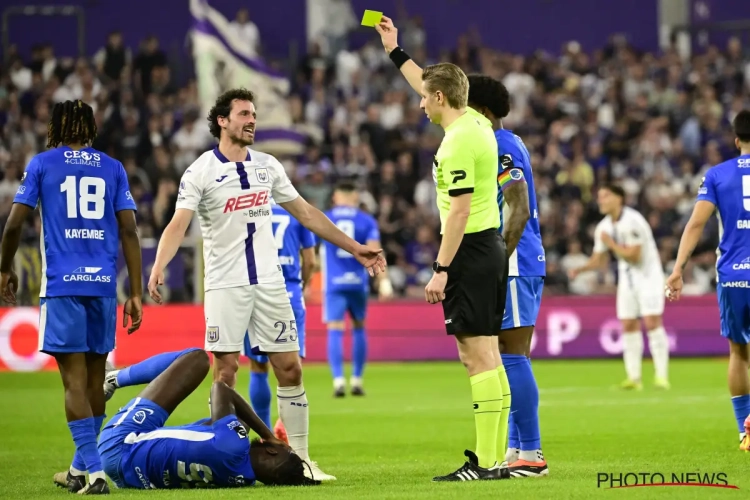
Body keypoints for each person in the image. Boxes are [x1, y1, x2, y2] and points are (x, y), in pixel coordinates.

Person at [147, 88, 386, 482]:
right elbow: (178, 223)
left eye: (253, 114)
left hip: (271, 285)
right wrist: (158, 265)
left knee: (290, 368)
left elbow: (306, 213)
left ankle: (303, 461)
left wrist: (355, 247)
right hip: (226, 285)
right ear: (222, 121)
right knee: (225, 373)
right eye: (243, 114)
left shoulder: (268, 167)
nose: (252, 120)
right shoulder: (200, 171)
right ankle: (225, 461)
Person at [375, 16, 510, 481]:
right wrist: (395, 50)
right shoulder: (474, 122)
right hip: (489, 246)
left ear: (438, 99)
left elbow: (457, 211)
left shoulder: (455, 144)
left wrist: (440, 269)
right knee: (488, 353)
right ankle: (495, 458)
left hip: (467, 251)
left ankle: (490, 462)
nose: (419, 102)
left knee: (474, 354)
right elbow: (431, 82)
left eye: (424, 96)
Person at [0, 99, 143, 495]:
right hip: (102, 288)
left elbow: (14, 224)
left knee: (74, 384)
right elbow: (130, 231)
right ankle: (81, 470)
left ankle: (94, 474)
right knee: (95, 383)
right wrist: (133, 291)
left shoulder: (43, 163)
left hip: (62, 285)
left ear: (56, 127)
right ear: (91, 128)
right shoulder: (113, 168)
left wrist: (4, 268)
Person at [57, 348, 319, 490]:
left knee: (195, 360)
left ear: (272, 451)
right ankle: (74, 472)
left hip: (120, 444)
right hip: (128, 477)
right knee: (213, 429)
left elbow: (220, 389)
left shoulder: (233, 443)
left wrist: (267, 433)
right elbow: (228, 428)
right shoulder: (244, 478)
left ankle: (113, 379)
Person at [464, 75, 548, 477]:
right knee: (504, 356)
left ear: (481, 110)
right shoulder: (505, 143)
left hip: (513, 263)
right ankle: (516, 448)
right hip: (515, 261)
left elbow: (519, 208)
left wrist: (498, 258)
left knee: (512, 355)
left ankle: (532, 454)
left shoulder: (500, 146)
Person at [666, 110, 750, 451]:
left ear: (736, 140)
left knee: (738, 352)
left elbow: (696, 224)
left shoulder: (717, 174)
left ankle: (745, 432)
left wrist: (677, 269)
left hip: (733, 276)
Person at [569, 185, 670, 390]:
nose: (601, 200)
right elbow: (600, 260)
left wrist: (611, 244)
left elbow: (634, 255)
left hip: (648, 277)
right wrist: (581, 269)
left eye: (606, 196)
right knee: (628, 324)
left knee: (651, 322)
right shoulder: (603, 227)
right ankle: (634, 377)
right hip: (627, 279)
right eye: (599, 197)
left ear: (619, 199)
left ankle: (661, 376)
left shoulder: (633, 220)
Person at [243, 199, 316, 437]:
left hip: (256, 290)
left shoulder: (245, 208)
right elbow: (311, 261)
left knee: (258, 365)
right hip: (290, 290)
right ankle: (287, 426)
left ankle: (266, 437)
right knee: (292, 365)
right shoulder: (296, 209)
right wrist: (300, 284)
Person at [320, 181, 392, 397]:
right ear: (355, 197)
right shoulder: (365, 220)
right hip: (358, 282)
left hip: (334, 283)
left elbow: (311, 249)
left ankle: (338, 380)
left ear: (335, 196)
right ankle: (358, 380)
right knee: (359, 326)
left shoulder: (326, 217)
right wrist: (384, 281)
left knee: (335, 328)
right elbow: (374, 250)